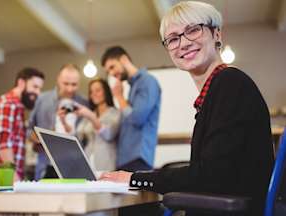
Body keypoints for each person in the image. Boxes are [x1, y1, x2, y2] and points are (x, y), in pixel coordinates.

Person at [100, 2, 274, 216]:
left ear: (216, 34)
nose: (183, 43)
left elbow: (211, 175)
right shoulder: (217, 89)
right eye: (173, 39)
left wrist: (135, 178)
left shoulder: (231, 83)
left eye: (193, 30)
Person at [101, 46, 161, 172]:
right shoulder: (132, 86)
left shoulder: (147, 81)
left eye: (112, 67)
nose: (111, 73)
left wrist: (119, 97)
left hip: (137, 158)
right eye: (108, 71)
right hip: (128, 158)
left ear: (124, 59)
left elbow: (137, 118)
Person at [0, 67, 45, 181]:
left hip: (2, 178)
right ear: (21, 83)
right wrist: (17, 181)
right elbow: (4, 146)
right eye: (35, 87)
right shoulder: (8, 104)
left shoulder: (17, 107)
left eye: (40, 88)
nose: (38, 92)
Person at [28, 64, 88, 180]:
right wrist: (37, 138)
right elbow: (28, 128)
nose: (69, 88)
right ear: (58, 80)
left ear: (79, 83)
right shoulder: (42, 99)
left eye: (74, 84)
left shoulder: (84, 103)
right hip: (45, 163)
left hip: (73, 165)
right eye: (65, 83)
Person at [76, 79, 121, 171]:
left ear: (106, 92)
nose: (93, 94)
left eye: (97, 90)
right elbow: (78, 135)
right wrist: (64, 120)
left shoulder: (115, 113)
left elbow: (109, 134)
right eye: (91, 92)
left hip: (106, 163)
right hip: (88, 161)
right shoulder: (89, 114)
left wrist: (91, 117)